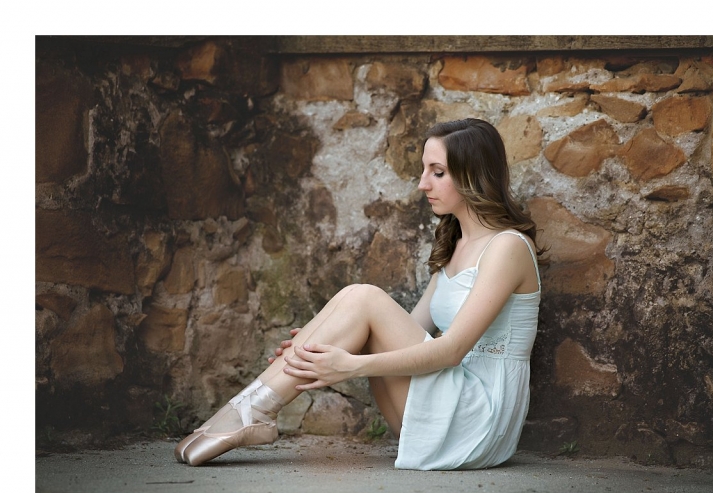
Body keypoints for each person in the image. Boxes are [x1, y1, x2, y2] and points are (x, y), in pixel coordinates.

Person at [174, 118, 545, 470]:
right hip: (439, 415)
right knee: (354, 303)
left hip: (479, 423)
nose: (422, 185)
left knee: (364, 297)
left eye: (437, 172)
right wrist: (317, 342)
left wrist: (351, 366)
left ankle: (248, 413)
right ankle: (248, 409)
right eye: (424, 171)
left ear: (473, 176)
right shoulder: (456, 246)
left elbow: (450, 352)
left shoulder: (507, 247)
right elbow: (405, 333)